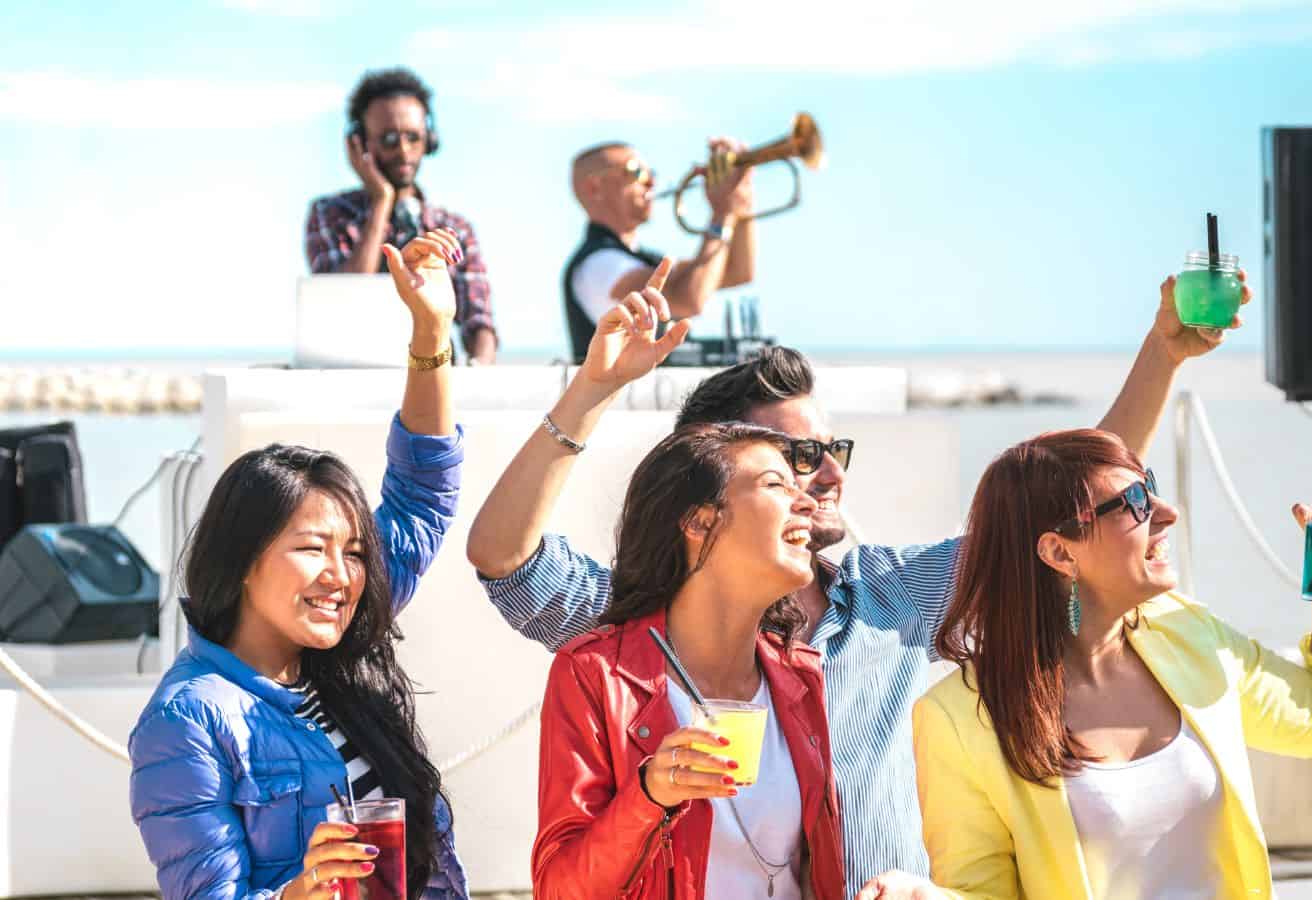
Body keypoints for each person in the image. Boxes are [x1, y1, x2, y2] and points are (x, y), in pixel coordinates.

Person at [468, 262, 1252, 895]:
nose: (828, 473)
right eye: (791, 461)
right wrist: (595, 390)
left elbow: (1066, 500)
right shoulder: (642, 626)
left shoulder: (894, 595)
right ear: (708, 492)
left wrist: (1163, 354)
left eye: (832, 448)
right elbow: (505, 557)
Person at [129, 229, 470, 900]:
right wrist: (297, 894)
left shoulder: (344, 632)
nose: (340, 576)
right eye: (313, 548)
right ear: (243, 558)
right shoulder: (187, 720)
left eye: (353, 552)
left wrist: (430, 334)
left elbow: (424, 490)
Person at [914, 429, 1312, 899]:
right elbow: (979, 890)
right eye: (1136, 501)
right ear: (1059, 551)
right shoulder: (957, 719)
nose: (1167, 513)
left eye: (1150, 485)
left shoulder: (1187, 634)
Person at [529, 275, 844, 898]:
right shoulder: (597, 675)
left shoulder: (803, 677)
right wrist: (650, 795)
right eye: (778, 485)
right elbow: (558, 888)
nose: (807, 503)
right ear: (701, 522)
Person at [305, 67, 498, 364]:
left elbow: (479, 323)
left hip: (435, 380)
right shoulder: (329, 214)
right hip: (357, 379)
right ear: (359, 142)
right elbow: (343, 301)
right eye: (389, 139)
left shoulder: (455, 228)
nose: (404, 151)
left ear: (429, 139)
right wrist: (382, 201)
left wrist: (479, 370)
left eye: (413, 137)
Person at [561, 138, 756, 361]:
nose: (651, 182)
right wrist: (722, 214)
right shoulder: (597, 265)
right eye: (635, 172)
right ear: (594, 187)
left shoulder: (639, 258)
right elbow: (689, 299)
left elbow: (736, 272)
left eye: (650, 173)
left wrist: (740, 202)